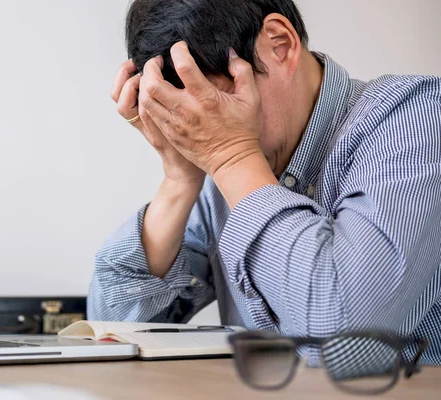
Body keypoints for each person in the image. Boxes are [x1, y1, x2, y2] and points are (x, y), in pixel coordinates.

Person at [88, 0, 441, 364]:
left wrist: (232, 157)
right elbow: (113, 325)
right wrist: (179, 179)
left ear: (279, 44)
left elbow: (344, 340)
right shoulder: (219, 174)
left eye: (212, 100)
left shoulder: (417, 120)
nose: (198, 126)